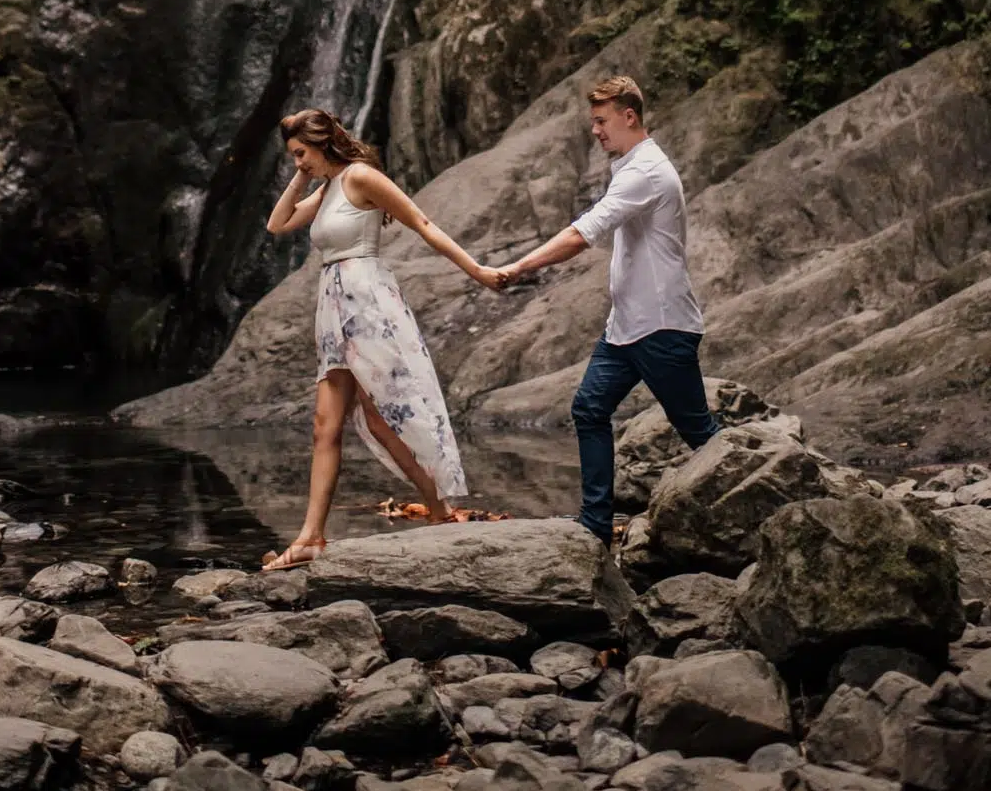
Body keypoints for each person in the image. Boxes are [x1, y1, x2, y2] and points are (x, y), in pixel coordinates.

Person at [261, 106, 500, 571]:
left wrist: (478, 271)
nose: (297, 162)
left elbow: (423, 224)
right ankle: (312, 537)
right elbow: (277, 225)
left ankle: (438, 509)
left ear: (321, 143)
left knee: (385, 416)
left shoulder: (360, 177)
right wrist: (303, 175)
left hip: (368, 304)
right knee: (328, 426)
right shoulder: (328, 186)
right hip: (334, 310)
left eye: (300, 153)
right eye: (292, 156)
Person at [490, 74, 720, 546]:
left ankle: (760, 501)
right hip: (626, 329)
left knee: (701, 433)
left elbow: (581, 234)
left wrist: (518, 267)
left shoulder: (645, 172)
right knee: (589, 409)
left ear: (629, 116)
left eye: (601, 121)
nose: (595, 131)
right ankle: (596, 522)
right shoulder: (631, 166)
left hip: (661, 327)